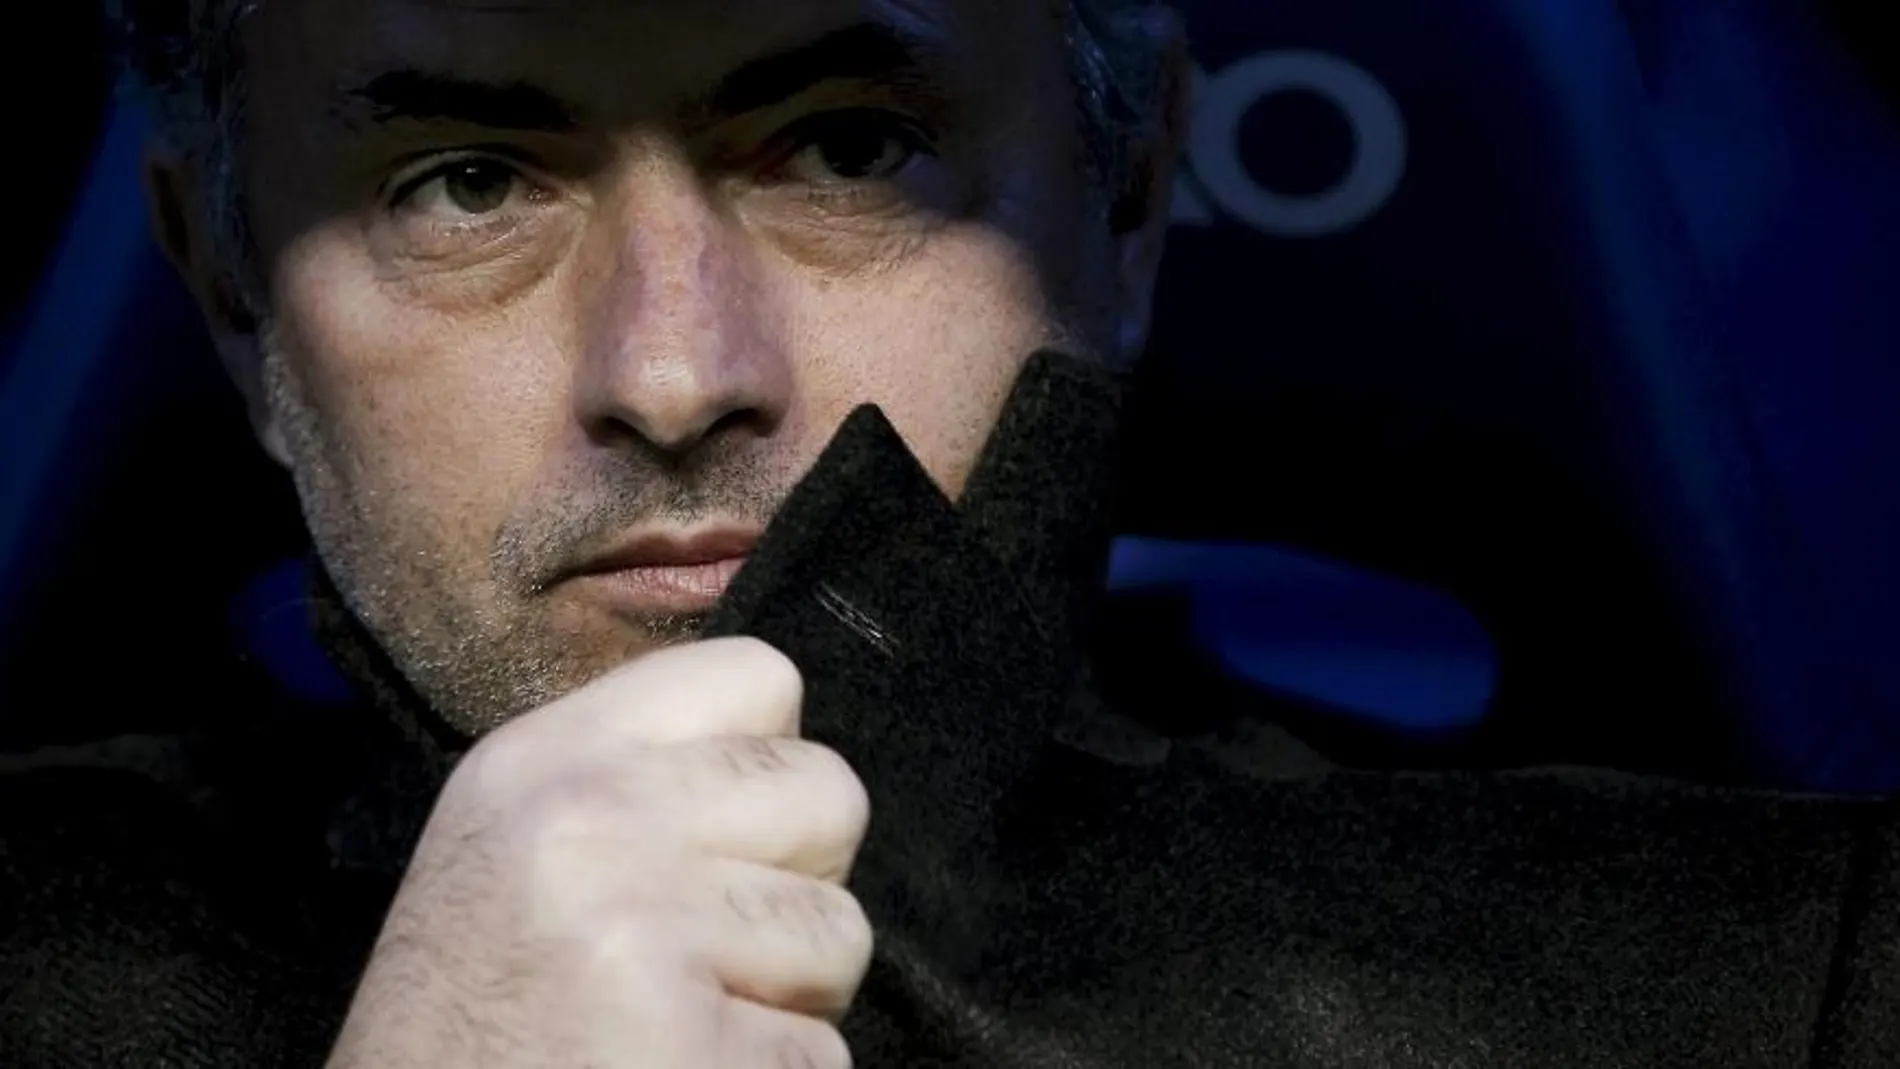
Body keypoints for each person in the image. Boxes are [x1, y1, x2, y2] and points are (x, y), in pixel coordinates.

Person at [1, 1, 1895, 1065]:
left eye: (845, 147)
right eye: (466, 182)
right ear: (235, 295)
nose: (673, 375)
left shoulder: (1790, 985)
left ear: (1132, 208)